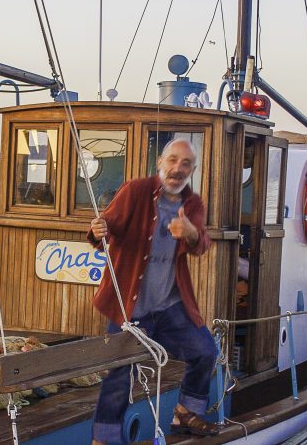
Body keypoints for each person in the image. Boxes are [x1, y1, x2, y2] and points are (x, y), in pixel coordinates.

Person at [87, 138, 220, 444]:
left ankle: (186, 413)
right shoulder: (135, 191)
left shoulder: (192, 204)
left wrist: (189, 233)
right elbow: (106, 226)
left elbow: (201, 243)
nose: (178, 169)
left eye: (185, 164)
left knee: (205, 352)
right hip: (129, 307)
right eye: (172, 161)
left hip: (170, 306)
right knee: (119, 375)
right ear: (160, 162)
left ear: (192, 170)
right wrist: (97, 230)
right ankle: (104, 440)